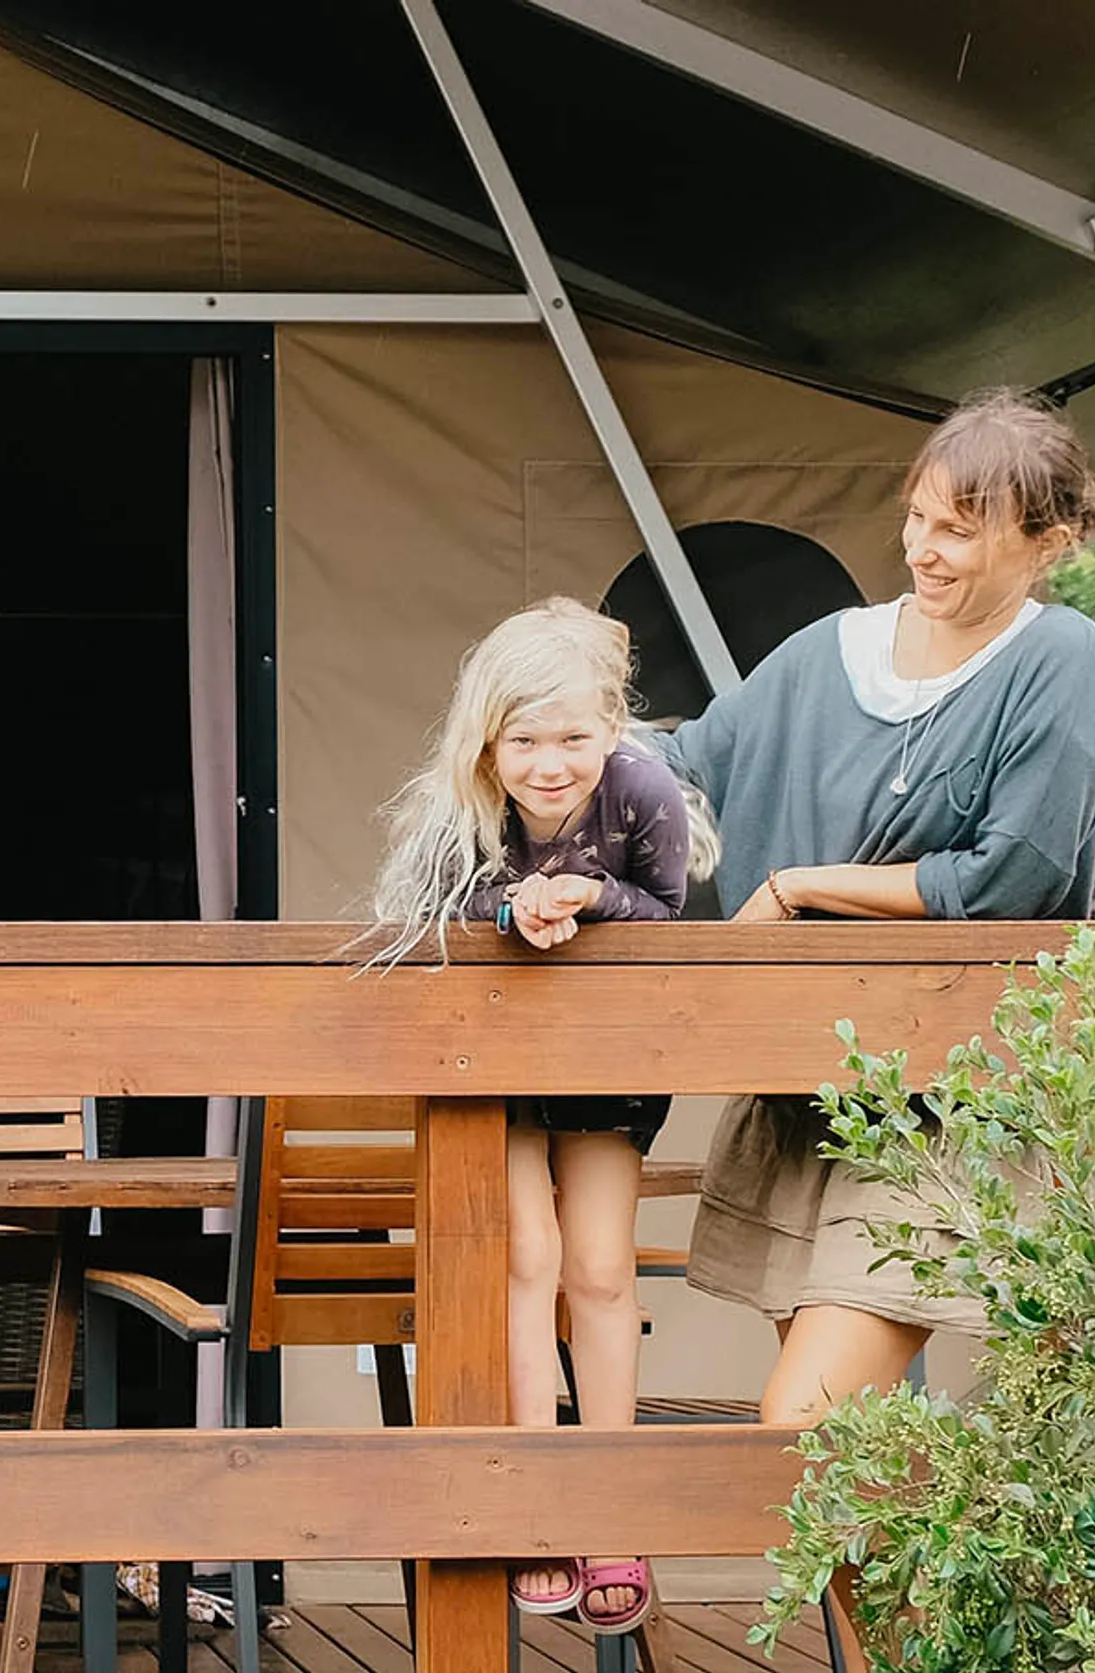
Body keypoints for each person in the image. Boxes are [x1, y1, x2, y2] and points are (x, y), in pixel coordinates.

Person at [655, 387, 1095, 1431]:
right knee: (856, 1469)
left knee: (803, 1428)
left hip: (948, 1104)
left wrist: (801, 883)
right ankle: (899, 1610)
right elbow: (681, 769)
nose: (925, 547)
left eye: (961, 529)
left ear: (1047, 542)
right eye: (918, 516)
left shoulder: (1061, 660)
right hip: (805, 1095)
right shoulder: (832, 648)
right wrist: (553, 751)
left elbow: (1013, 878)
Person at [371, 597, 701, 1634]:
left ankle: (607, 1499)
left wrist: (592, 899)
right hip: (497, 1065)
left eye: (573, 738)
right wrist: (508, 909)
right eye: (525, 739)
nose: (550, 763)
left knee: (599, 1266)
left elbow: (672, 915)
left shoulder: (644, 792)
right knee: (527, 1256)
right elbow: (416, 918)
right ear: (487, 737)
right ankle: (534, 1491)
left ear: (612, 728)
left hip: (607, 1061)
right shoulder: (458, 807)